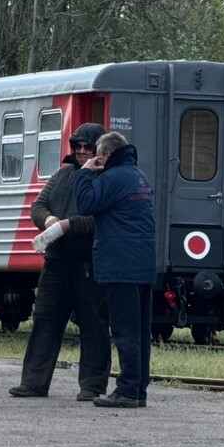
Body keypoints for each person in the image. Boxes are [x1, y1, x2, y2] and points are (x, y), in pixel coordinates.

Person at [9, 123, 111, 401]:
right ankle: (33, 382)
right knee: (45, 319)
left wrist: (67, 225)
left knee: (93, 323)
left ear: (99, 150)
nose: (81, 151)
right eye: (77, 146)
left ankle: (93, 385)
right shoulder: (61, 174)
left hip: (88, 261)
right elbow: (37, 206)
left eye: (87, 147)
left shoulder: (105, 178)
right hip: (56, 261)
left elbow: (100, 218)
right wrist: (49, 220)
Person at [75, 131, 156, 409]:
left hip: (121, 265)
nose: (94, 159)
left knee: (125, 330)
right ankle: (138, 390)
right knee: (140, 331)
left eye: (97, 156)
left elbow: (84, 204)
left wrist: (86, 172)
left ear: (106, 155)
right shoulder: (139, 176)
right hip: (142, 264)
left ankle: (126, 391)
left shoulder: (113, 178)